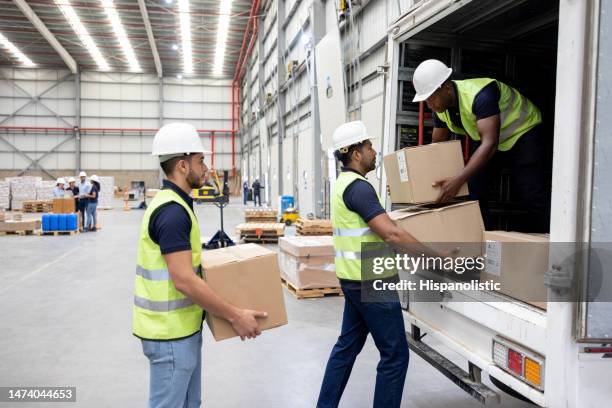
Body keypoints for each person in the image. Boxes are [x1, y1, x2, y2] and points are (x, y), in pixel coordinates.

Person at [133, 123, 267, 408]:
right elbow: (183, 279)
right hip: (169, 335)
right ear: (182, 165)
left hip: (181, 330)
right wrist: (235, 315)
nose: (205, 167)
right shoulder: (172, 212)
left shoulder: (177, 204)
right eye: (200, 160)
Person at [318, 121, 428, 408]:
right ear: (355, 153)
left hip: (355, 280)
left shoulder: (343, 184)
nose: (373, 151)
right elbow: (390, 232)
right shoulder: (359, 189)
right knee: (395, 356)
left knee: (346, 348)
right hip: (372, 282)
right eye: (368, 146)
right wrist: (437, 257)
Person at [412, 59, 550, 232]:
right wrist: (412, 181)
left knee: (531, 194)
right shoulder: (440, 111)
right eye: (426, 100)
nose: (429, 105)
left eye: (431, 98)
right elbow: (435, 149)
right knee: (474, 190)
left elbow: (489, 144)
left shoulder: (480, 95)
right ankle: (487, 243)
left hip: (524, 132)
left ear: (446, 88)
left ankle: (551, 243)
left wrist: (458, 180)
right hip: (496, 141)